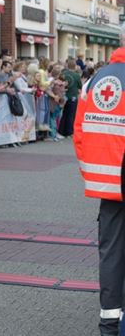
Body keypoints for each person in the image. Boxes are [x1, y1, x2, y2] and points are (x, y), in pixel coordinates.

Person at [74, 43, 125, 336]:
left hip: (107, 188)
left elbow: (79, 132)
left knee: (111, 255)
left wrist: (93, 173)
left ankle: (109, 324)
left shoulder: (94, 81)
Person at [58, 59, 82, 137]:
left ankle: (61, 130)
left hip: (63, 95)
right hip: (73, 96)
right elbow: (80, 86)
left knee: (64, 114)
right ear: (75, 66)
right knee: (71, 115)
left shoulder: (63, 74)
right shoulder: (76, 75)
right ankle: (69, 131)